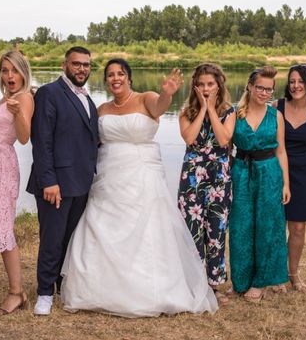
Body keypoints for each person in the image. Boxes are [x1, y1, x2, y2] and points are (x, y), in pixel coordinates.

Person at [60, 59, 218, 317]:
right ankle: (98, 290)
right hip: (109, 176)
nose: (115, 78)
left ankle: (150, 291)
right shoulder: (101, 109)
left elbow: (159, 108)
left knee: (148, 230)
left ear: (129, 77)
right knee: (103, 226)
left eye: (120, 73)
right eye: (110, 75)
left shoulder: (147, 98)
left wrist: (167, 94)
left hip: (142, 175)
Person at [26, 46, 99, 316]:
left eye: (86, 65)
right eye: (77, 64)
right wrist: (49, 181)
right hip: (55, 183)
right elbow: (41, 140)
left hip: (81, 182)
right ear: (65, 65)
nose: (82, 69)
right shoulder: (49, 93)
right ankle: (44, 293)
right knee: (51, 239)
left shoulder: (88, 99)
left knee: (70, 240)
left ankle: (62, 285)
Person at [229, 66, 290, 302]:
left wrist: (286, 184)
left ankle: (260, 282)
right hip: (241, 172)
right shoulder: (236, 113)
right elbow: (226, 147)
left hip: (269, 173)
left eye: (269, 89)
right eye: (260, 88)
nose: (265, 93)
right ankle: (240, 282)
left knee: (267, 226)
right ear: (250, 87)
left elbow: (281, 151)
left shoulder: (276, 116)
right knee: (240, 226)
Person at [0, 50, 34, 314]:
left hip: (1, 166)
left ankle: (17, 292)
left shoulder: (24, 98)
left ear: (24, 72)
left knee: (3, 226)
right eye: (4, 70)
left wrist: (17, 114)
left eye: (14, 70)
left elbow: (24, 137)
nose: (9, 75)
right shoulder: (7, 97)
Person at [177, 63, 235, 306]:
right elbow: (190, 137)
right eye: (201, 84)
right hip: (192, 177)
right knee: (191, 232)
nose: (205, 88)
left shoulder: (229, 112)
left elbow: (223, 140)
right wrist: (202, 109)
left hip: (219, 177)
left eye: (210, 84)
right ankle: (193, 282)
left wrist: (212, 109)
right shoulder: (186, 111)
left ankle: (215, 285)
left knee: (216, 231)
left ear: (219, 85)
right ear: (195, 86)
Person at [273, 65, 306, 292]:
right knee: (275, 225)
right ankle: (276, 275)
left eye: (300, 81)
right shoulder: (277, 107)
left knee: (298, 227)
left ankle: (293, 273)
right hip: (276, 170)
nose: (296, 86)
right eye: (292, 81)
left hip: (303, 172)